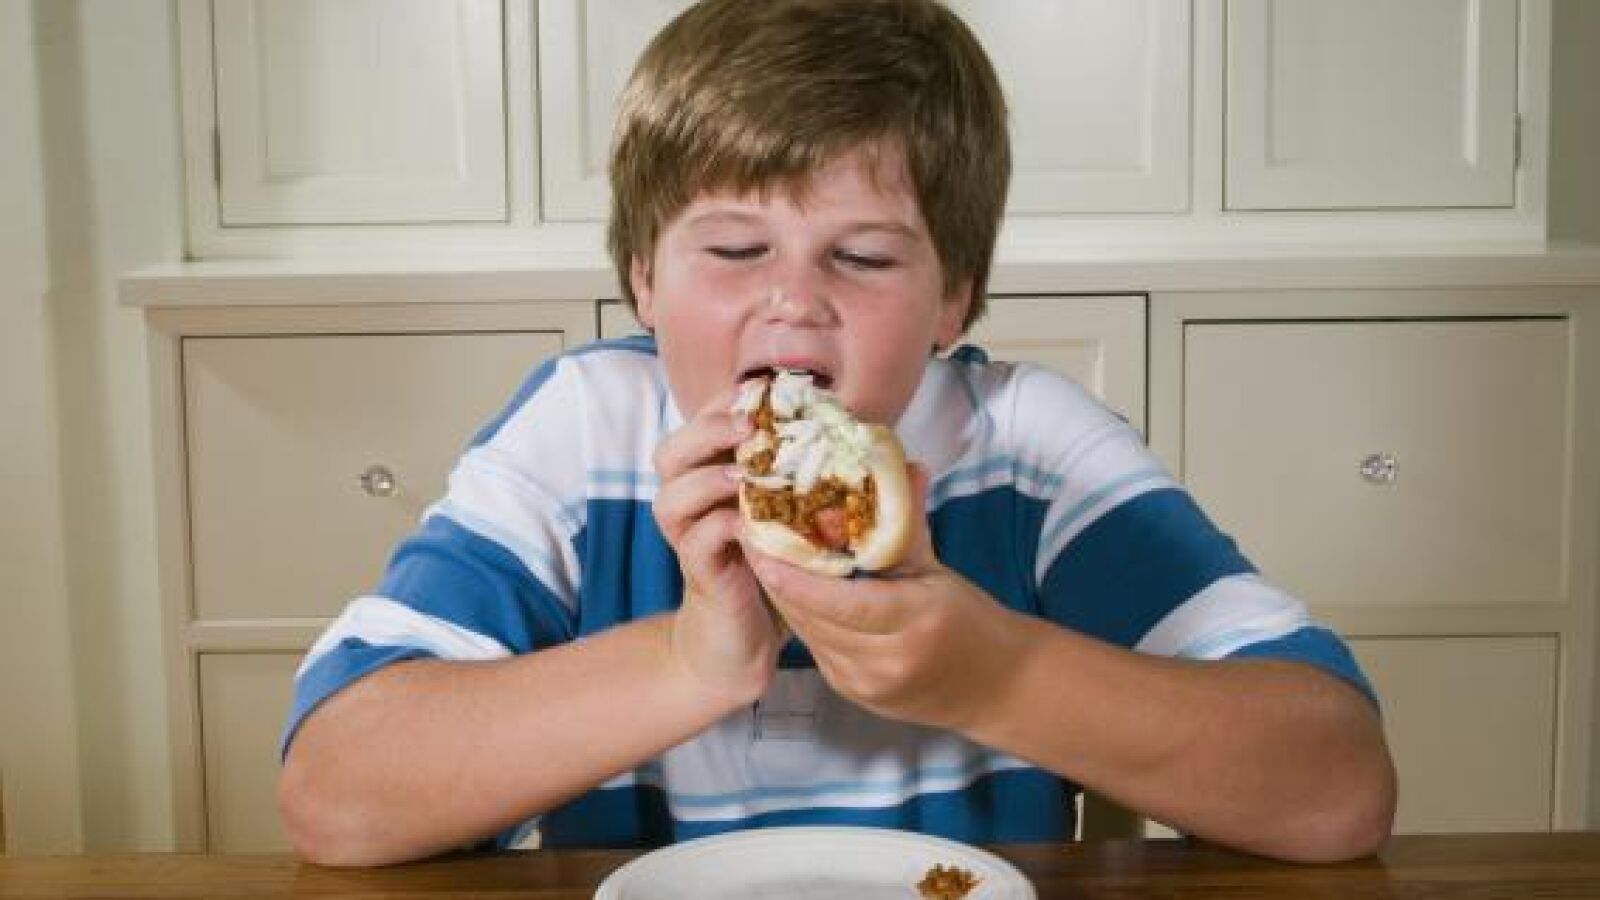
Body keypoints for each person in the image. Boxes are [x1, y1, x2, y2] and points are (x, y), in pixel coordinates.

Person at [277, 0, 1396, 867]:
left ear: (954, 298)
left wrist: (992, 672)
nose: (793, 301)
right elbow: (336, 791)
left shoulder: (1030, 450)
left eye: (860, 257)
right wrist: (686, 661)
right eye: (734, 251)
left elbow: (1336, 786)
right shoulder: (583, 432)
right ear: (644, 279)